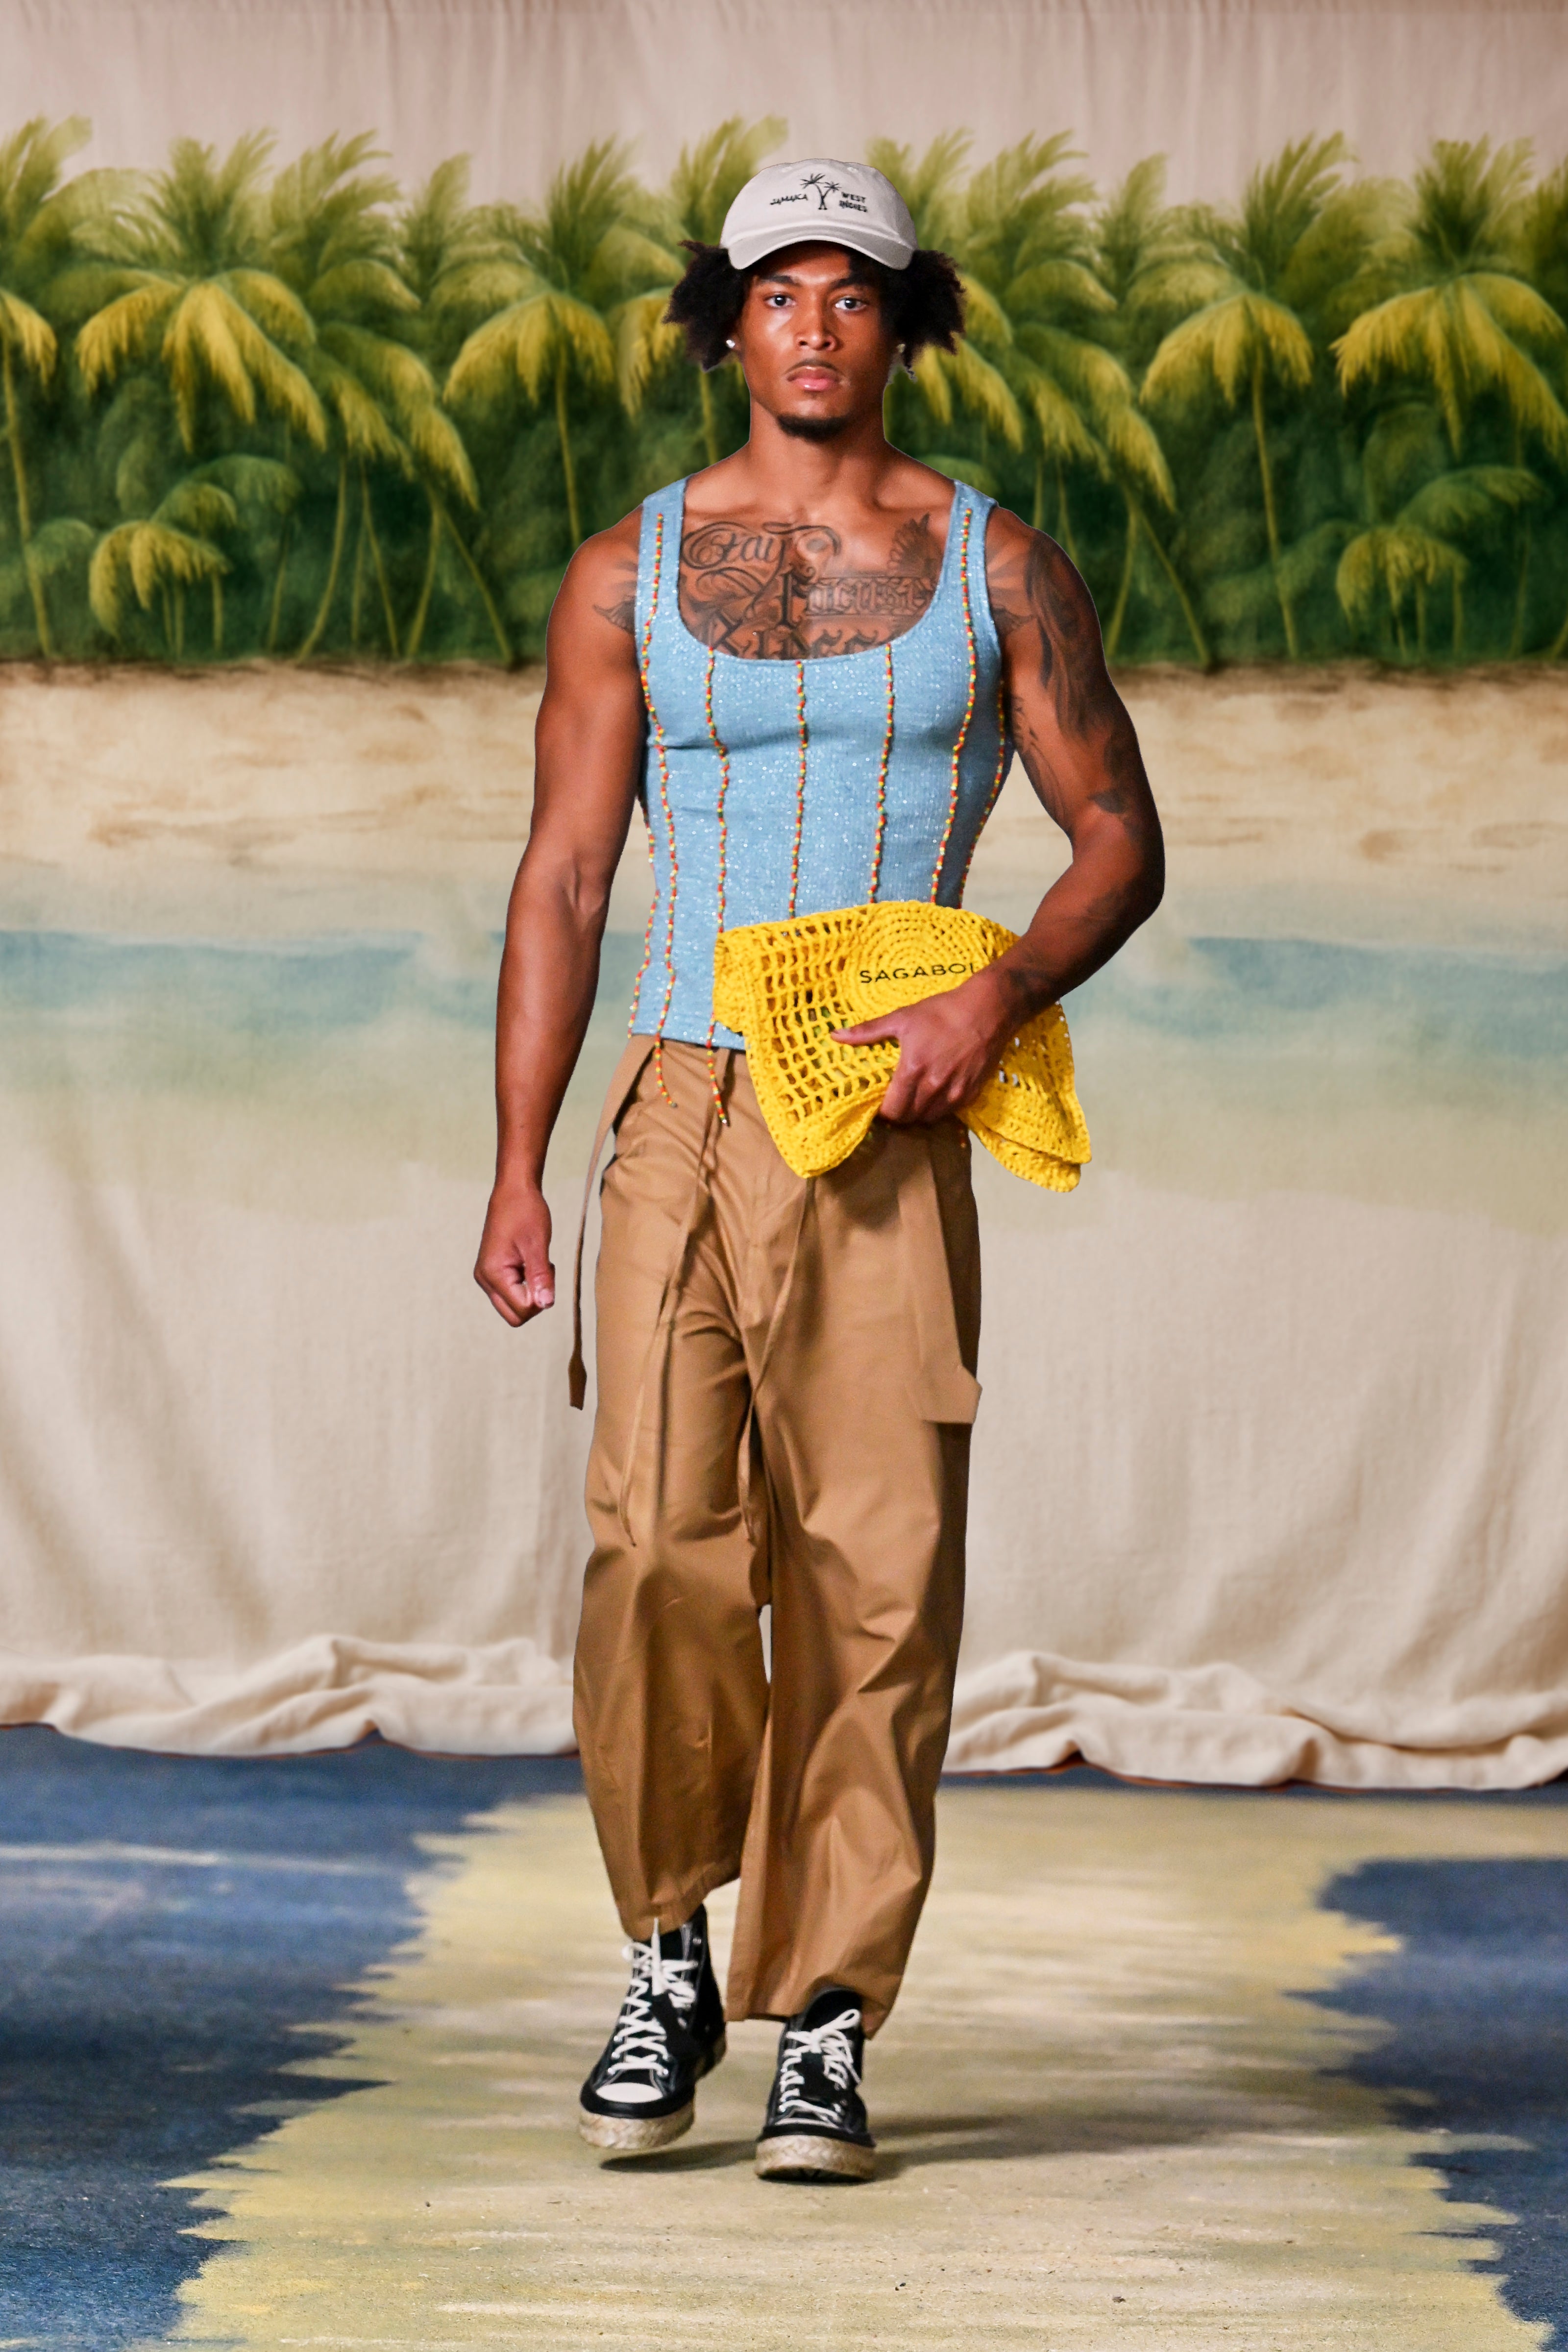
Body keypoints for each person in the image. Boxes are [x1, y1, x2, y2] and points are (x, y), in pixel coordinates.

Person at [474, 157, 1164, 2182]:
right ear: (728, 322)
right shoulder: (622, 571)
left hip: (882, 1109)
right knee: (653, 1544)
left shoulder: (996, 568)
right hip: (677, 1102)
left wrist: (994, 995)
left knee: (876, 1571)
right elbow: (564, 874)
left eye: (848, 291)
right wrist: (514, 1162)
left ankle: (834, 2018)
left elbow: (1120, 835)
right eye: (776, 290)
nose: (810, 324)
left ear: (898, 322)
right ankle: (668, 1951)